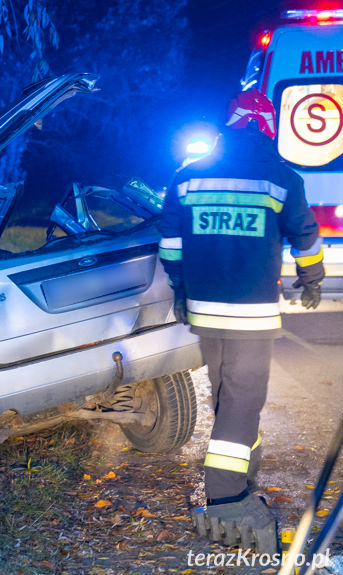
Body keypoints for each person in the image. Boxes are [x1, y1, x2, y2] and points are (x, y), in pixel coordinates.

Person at [158, 90, 325, 554]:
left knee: (227, 395)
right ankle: (226, 494)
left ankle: (241, 466)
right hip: (251, 313)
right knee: (243, 401)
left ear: (228, 126)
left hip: (204, 310)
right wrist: (312, 280)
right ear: (268, 129)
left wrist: (180, 289)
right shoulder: (282, 178)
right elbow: (305, 236)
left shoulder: (187, 177)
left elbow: (170, 245)